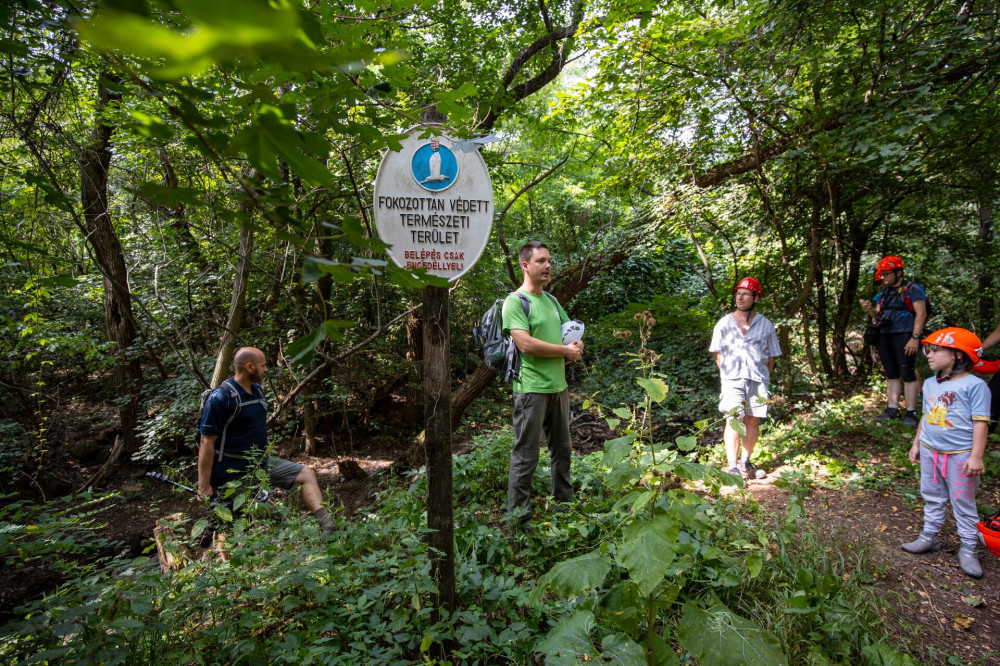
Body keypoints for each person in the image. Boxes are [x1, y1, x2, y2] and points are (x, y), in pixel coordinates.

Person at [197, 347, 335, 535]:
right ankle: (230, 564)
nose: (266, 369)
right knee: (233, 528)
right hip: (232, 472)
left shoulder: (257, 391)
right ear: (250, 367)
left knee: (306, 474)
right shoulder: (221, 398)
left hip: (260, 463)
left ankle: (328, 526)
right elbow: (206, 443)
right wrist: (204, 486)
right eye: (263, 366)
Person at [501, 241, 583, 527]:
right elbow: (525, 344)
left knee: (562, 450)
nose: (548, 266)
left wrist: (576, 343)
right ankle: (518, 522)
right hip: (531, 390)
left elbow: (567, 330)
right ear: (525, 265)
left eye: (549, 260)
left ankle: (564, 507)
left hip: (558, 388)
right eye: (541, 261)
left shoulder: (550, 300)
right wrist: (564, 351)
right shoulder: (515, 302)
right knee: (526, 456)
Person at [901, 328, 990, 578]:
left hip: (961, 455)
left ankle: (969, 547)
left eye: (935, 350)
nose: (928, 354)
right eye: (928, 349)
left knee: (963, 501)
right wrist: (917, 443)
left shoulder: (975, 386)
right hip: (931, 451)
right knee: (931, 494)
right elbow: (927, 416)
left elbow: (981, 422)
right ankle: (929, 536)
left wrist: (976, 456)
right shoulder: (930, 383)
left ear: (958, 355)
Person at [709, 277, 782, 480]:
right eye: (738, 293)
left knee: (752, 420)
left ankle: (745, 463)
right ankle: (732, 466)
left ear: (756, 297)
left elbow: (772, 357)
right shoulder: (724, 323)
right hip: (732, 379)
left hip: (758, 379)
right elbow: (718, 355)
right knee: (734, 419)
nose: (740, 297)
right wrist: (727, 376)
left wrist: (763, 378)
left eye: (746, 294)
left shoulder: (766, 325)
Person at [859, 255, 928, 426]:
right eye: (880, 274)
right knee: (891, 373)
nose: (882, 277)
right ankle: (892, 409)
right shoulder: (884, 292)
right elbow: (878, 315)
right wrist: (869, 309)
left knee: (908, 373)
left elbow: (922, 313)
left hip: (905, 334)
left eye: (886, 273)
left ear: (898, 272)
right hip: (885, 335)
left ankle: (911, 412)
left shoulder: (913, 289)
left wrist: (915, 338)